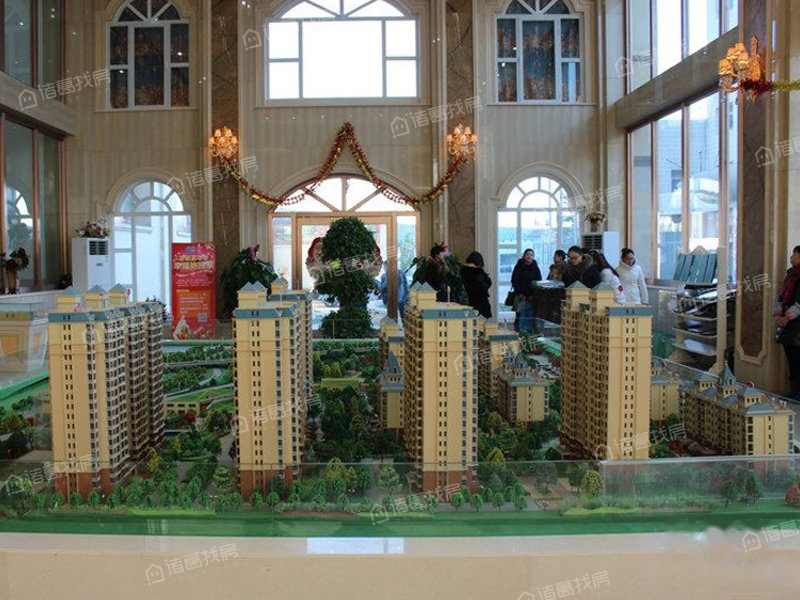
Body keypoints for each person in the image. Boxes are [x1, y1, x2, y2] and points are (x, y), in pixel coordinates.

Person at [775, 245, 800, 399]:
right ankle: (793, 391)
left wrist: (786, 317)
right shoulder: (790, 275)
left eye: (795, 254)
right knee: (791, 360)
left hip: (796, 325)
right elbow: (782, 296)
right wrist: (778, 314)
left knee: (797, 359)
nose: (791, 257)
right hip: (788, 327)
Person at [510, 248, 542, 332]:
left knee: (530, 316)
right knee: (519, 315)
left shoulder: (535, 268)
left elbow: (538, 282)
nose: (529, 256)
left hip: (532, 297)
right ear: (524, 256)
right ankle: (517, 332)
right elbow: (514, 281)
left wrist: (533, 295)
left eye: (531, 255)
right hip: (520, 296)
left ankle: (529, 333)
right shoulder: (518, 267)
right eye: (527, 254)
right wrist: (520, 293)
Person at [461, 251, 492, 319]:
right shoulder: (478, 272)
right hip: (481, 302)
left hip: (470, 301)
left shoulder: (463, 271)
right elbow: (486, 285)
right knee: (485, 322)